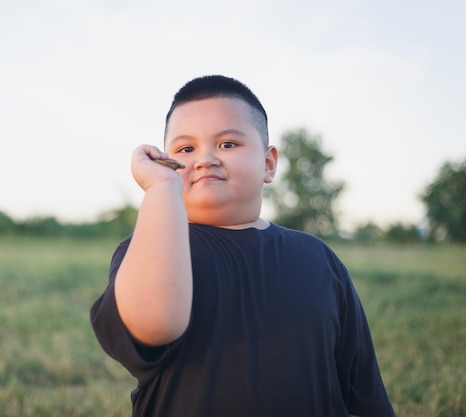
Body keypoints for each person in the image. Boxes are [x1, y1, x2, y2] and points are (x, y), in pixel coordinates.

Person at [90, 75, 395, 417]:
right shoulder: (152, 248)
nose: (205, 159)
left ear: (268, 163)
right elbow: (154, 323)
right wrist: (161, 188)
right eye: (186, 149)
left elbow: (362, 389)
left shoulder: (319, 257)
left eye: (228, 144)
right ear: (166, 163)